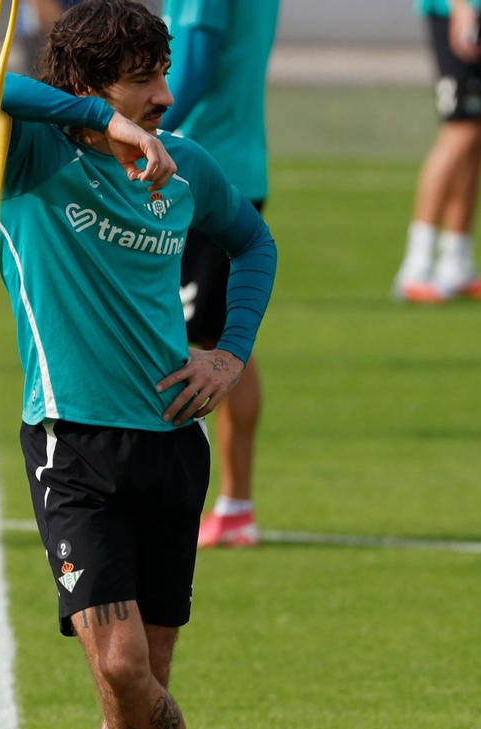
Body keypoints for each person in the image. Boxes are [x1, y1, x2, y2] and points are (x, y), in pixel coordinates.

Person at [0, 2, 275, 729]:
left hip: (172, 446)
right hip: (72, 445)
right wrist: (105, 122)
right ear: (93, 89)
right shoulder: (30, 158)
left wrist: (229, 350)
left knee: (140, 688)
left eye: (163, 78)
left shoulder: (185, 170)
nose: (166, 97)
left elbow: (253, 243)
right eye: (144, 83)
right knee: (120, 668)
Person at [159, 0, 281, 548]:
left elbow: (196, 65)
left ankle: (233, 501)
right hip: (231, 161)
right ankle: (231, 501)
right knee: (212, 336)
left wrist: (139, 134)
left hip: (206, 172)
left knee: (212, 341)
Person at [391, 0, 481, 304]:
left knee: (480, 132)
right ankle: (415, 267)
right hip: (461, 11)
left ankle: (456, 263)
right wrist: (460, 6)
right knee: (460, 129)